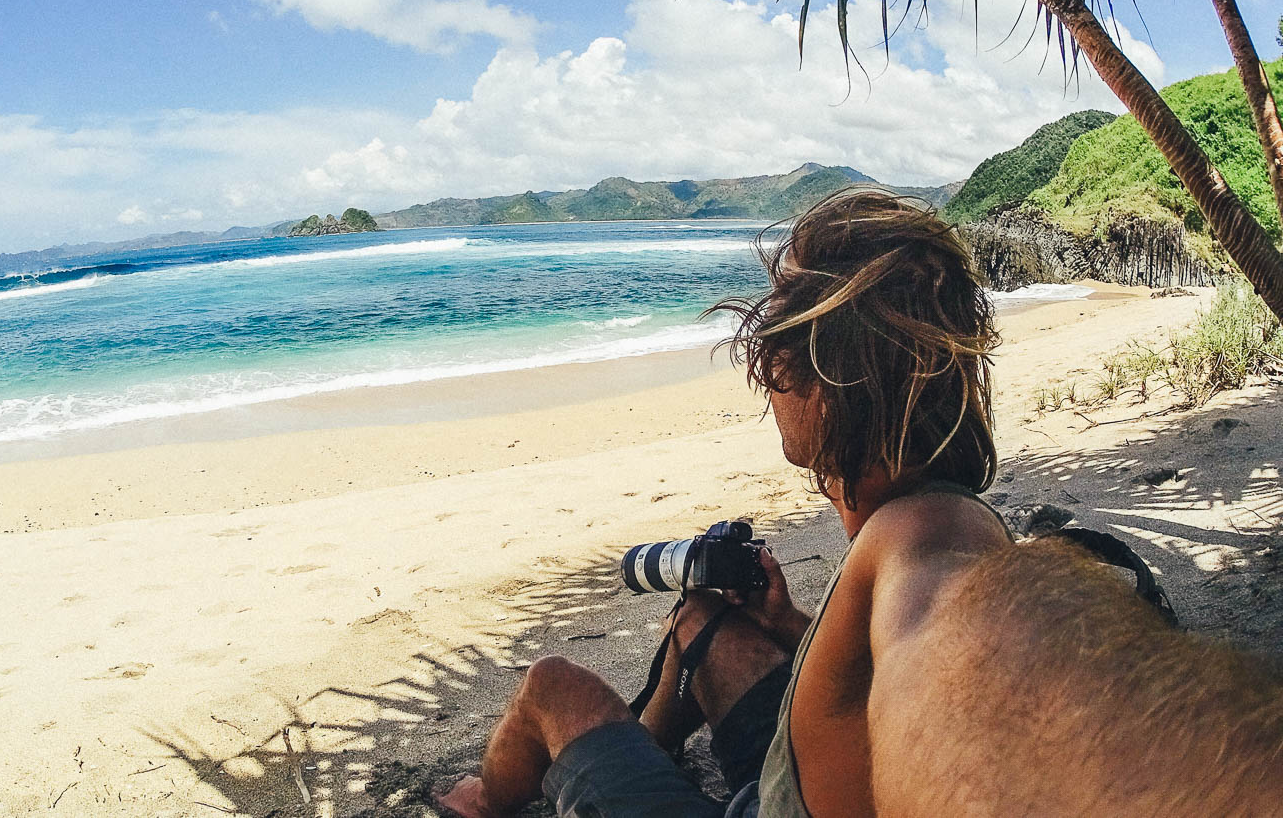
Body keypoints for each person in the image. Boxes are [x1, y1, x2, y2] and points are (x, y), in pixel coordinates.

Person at [436, 190, 1283, 817]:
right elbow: (895, 666)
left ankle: (483, 801)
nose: (765, 368)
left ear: (825, 380)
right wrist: (798, 624)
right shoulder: (937, 511)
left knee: (552, 685)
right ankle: (638, 758)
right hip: (793, 780)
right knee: (704, 624)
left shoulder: (925, 542)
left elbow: (984, 666)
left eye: (777, 340)